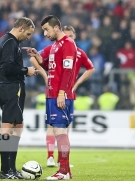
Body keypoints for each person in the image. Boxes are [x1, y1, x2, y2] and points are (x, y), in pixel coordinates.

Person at [26, 25, 94, 169]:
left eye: (69, 36)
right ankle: (51, 157)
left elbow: (91, 68)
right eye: (65, 35)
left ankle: (61, 161)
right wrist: (45, 76)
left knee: (65, 127)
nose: (66, 38)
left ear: (73, 37)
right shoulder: (54, 48)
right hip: (57, 92)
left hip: (68, 93)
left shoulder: (79, 53)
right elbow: (34, 60)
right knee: (54, 125)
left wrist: (77, 83)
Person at [23, 16, 77, 180]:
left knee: (61, 131)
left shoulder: (68, 44)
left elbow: (67, 71)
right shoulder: (54, 47)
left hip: (60, 94)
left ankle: (63, 171)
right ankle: (65, 170)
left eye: (47, 29)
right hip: (51, 94)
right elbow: (49, 66)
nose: (45, 33)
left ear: (56, 27)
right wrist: (38, 57)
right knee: (58, 131)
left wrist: (61, 93)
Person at [0, 17, 37, 179]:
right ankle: (6, 170)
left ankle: (10, 168)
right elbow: (7, 67)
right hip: (11, 87)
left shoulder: (5, 41)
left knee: (17, 126)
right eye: (28, 33)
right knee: (9, 127)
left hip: (6, 87)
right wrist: (26, 70)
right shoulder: (10, 43)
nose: (28, 37)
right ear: (20, 28)